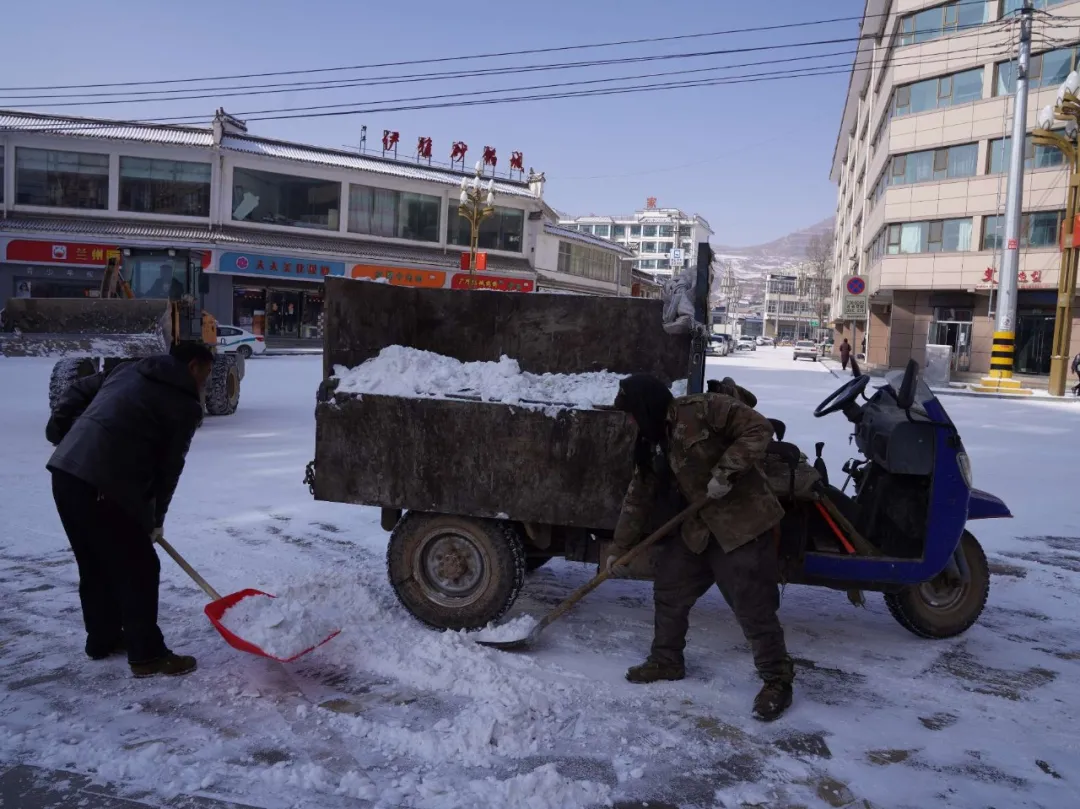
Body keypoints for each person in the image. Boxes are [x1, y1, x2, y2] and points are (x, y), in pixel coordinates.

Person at [607, 374, 794, 722]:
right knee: (670, 587)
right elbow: (639, 495)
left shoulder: (704, 409)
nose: (630, 421)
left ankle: (777, 680)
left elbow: (758, 428)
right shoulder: (651, 442)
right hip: (698, 528)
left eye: (632, 413)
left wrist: (726, 472)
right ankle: (666, 660)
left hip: (743, 524)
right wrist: (620, 547)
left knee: (753, 605)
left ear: (647, 406)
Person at [46, 342, 213, 678]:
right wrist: (154, 521)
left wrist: (61, 429)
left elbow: (79, 389)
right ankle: (147, 655)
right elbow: (169, 470)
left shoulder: (129, 369)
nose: (205, 384)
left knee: (94, 562)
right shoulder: (183, 404)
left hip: (66, 474)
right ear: (193, 365)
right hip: (103, 487)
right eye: (206, 375)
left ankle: (102, 639)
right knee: (139, 567)